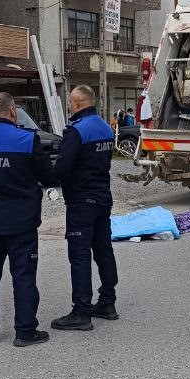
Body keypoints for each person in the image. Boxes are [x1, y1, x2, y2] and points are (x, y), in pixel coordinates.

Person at [0, 92, 56, 347]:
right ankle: (25, 331)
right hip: (22, 221)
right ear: (12, 110)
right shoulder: (27, 139)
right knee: (23, 276)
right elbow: (48, 176)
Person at [51, 86, 118, 331]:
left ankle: (81, 311)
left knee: (79, 256)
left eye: (70, 102)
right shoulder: (105, 128)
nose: (70, 106)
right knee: (104, 251)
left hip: (81, 201)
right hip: (102, 197)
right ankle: (108, 302)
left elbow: (63, 167)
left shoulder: (77, 130)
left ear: (77, 102)